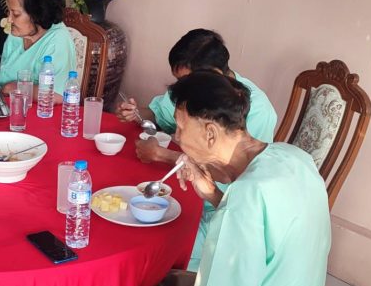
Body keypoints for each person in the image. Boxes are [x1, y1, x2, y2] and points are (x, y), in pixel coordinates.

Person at [103, 72, 330, 286]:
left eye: (181, 128)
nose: (177, 138)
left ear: (210, 132)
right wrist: (212, 194)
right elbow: (261, 230)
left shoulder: (246, 195)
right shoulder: (292, 158)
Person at [119, 29, 278, 272]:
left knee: (147, 245)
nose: (178, 135)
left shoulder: (256, 111)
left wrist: (164, 155)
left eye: (182, 129)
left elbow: (233, 187)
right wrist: (137, 113)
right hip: (206, 193)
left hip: (215, 212)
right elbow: (160, 113)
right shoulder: (193, 91)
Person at [0, 0, 77, 102]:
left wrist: (15, 88)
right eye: (8, 12)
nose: (9, 19)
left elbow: (58, 95)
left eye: (16, 14)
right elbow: (5, 69)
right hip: (3, 105)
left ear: (36, 14)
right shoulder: (17, 34)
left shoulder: (57, 41)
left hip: (38, 111)